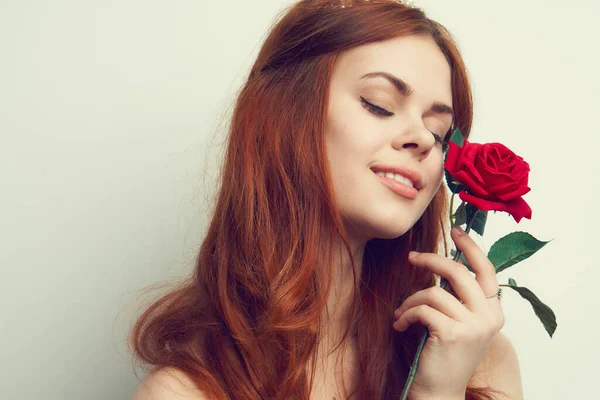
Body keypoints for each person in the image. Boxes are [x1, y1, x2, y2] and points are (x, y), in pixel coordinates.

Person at [129, 0, 523, 399]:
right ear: (285, 115)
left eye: (438, 131)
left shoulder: (479, 364)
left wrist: (443, 389)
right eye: (379, 104)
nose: (422, 138)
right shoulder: (186, 392)